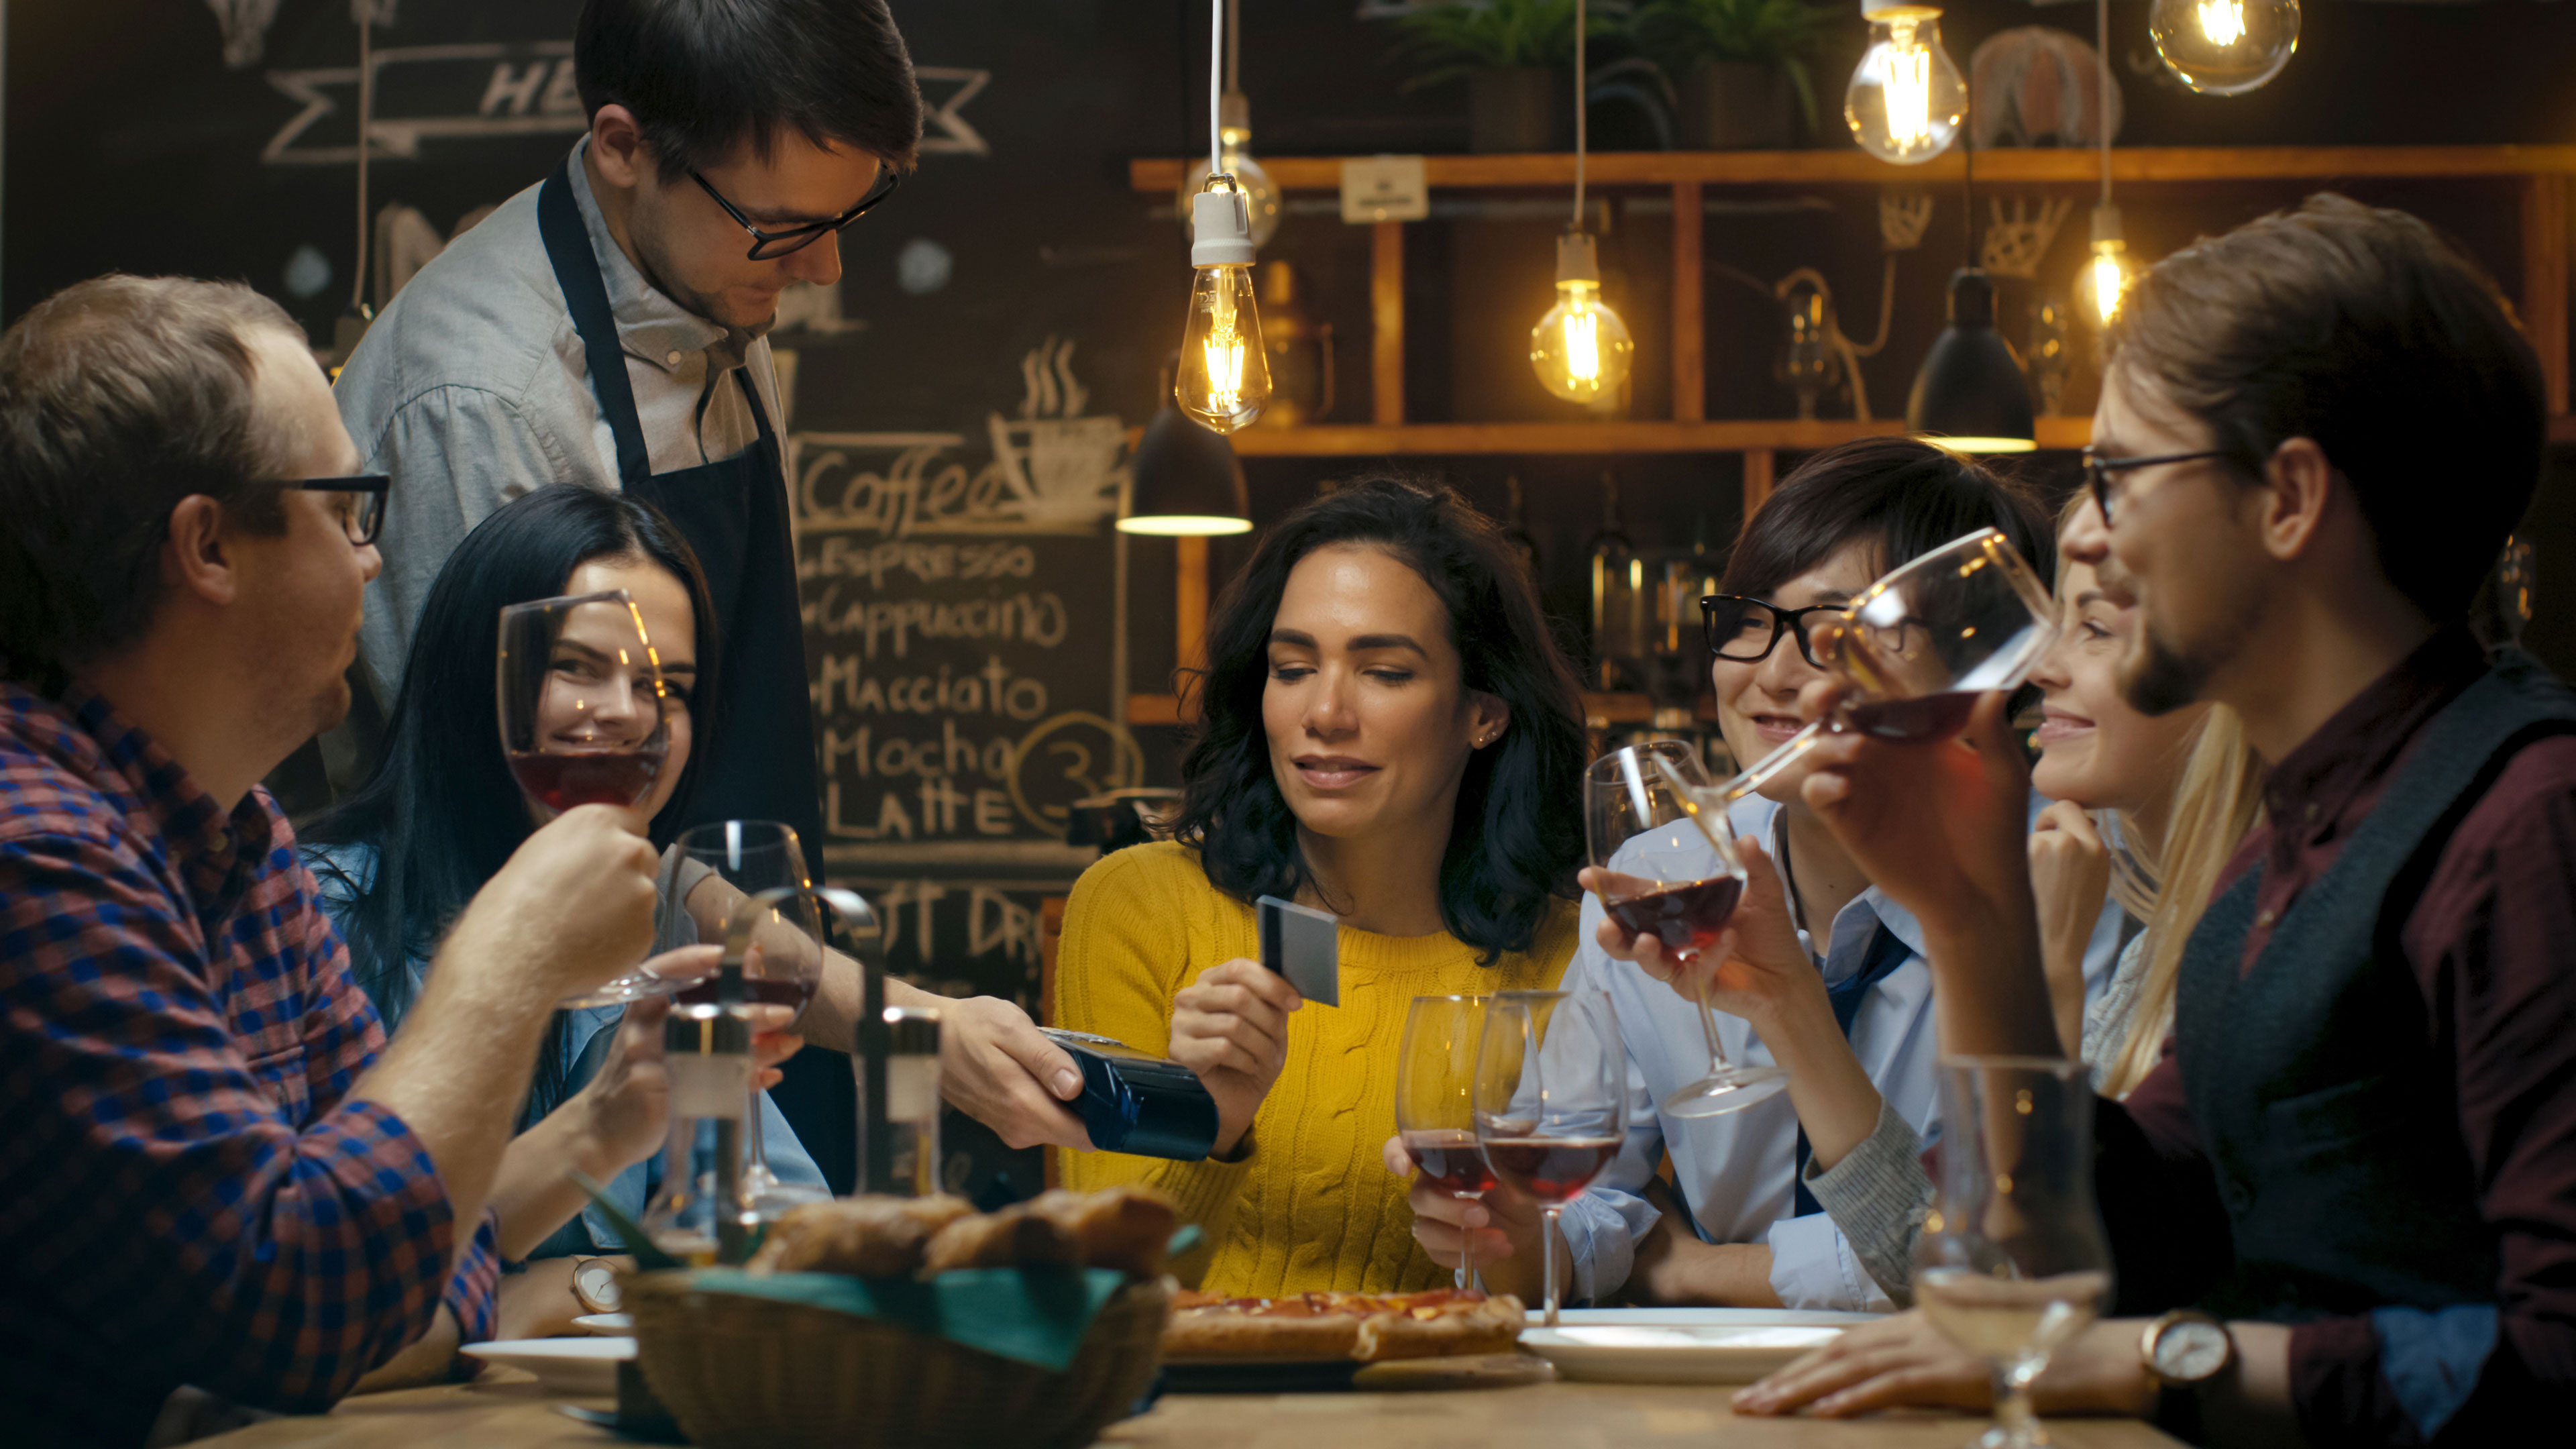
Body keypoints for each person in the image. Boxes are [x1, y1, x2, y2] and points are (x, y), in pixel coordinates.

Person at [1737, 195, 2576, 1445]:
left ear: (2289, 499)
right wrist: (1974, 924)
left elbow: (2555, 1357)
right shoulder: (2286, 845)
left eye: (2117, 476)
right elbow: (2089, 1253)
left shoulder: (2526, 822)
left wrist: (2156, 1366)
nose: (2079, 531)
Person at [331, 0, 1093, 1157]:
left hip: (708, 960)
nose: (826, 267)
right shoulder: (485, 401)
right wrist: (899, 1019)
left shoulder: (709, 295)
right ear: (626, 149)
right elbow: (568, 822)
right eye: (785, 229)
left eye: (850, 215)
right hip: (539, 1048)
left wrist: (892, 1019)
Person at [0, 276, 698, 1446]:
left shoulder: (236, 835)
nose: (374, 564)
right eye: (348, 511)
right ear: (209, 547)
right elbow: (303, 1310)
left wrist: (393, 1272)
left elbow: (402, 1250)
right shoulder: (38, 858)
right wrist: (511, 954)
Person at [1404, 439, 2121, 1313]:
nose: (1773, 675)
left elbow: (2010, 1253)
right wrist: (1513, 1237)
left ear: (1978, 674)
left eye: (1837, 634)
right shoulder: (1665, 876)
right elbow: (1575, 1195)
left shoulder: (2062, 884)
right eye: (1748, 621)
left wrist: (1689, 1267)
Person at [301, 486, 822, 1340]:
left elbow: (783, 1236)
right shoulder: (327, 911)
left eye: (668, 685)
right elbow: (316, 1280)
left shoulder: (652, 925)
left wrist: (563, 1287)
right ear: (481, 676)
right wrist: (594, 1287)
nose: (626, 712)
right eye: (576, 666)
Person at [1057, 477, 1589, 1295]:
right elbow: (1100, 1285)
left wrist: (1508, 1250)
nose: (1326, 712)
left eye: (1383, 672)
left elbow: (1561, 1286)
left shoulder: (1567, 954)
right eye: (1293, 667)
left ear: (1485, 711)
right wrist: (1217, 1124)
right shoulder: (1142, 905)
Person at [1784, 498, 2269, 1306]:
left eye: (2098, 628)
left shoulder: (2242, 934)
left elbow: (2025, 1283)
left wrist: (2034, 965)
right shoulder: (2167, 933)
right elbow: (1976, 1262)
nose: (2039, 668)